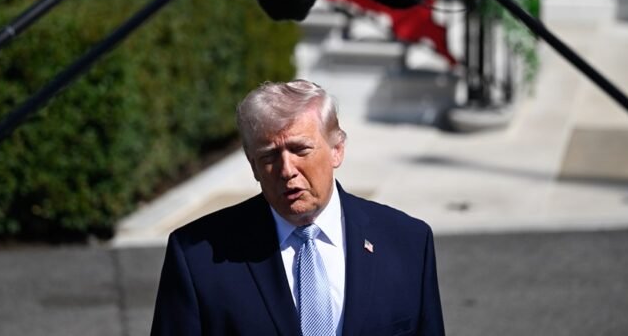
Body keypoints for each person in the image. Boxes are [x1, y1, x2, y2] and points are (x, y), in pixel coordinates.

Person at [150, 79, 446, 335]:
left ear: (337, 150)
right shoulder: (197, 257)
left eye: (300, 149)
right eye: (269, 156)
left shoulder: (407, 243)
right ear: (253, 166)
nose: (286, 170)